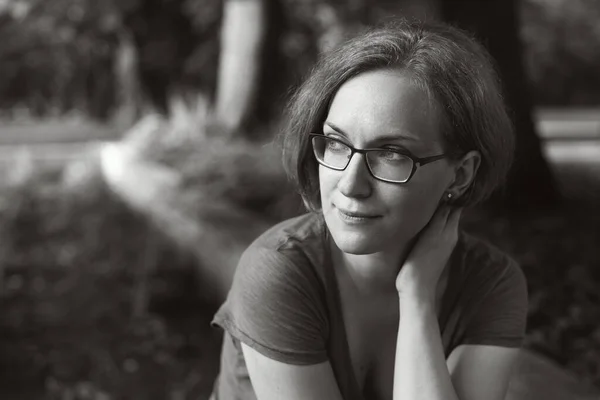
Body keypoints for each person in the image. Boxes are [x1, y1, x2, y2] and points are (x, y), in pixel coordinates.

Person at [209, 19, 528, 400]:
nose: (350, 184)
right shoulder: (279, 271)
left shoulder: (490, 283)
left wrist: (416, 297)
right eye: (336, 143)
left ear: (460, 175)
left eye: (391, 154)